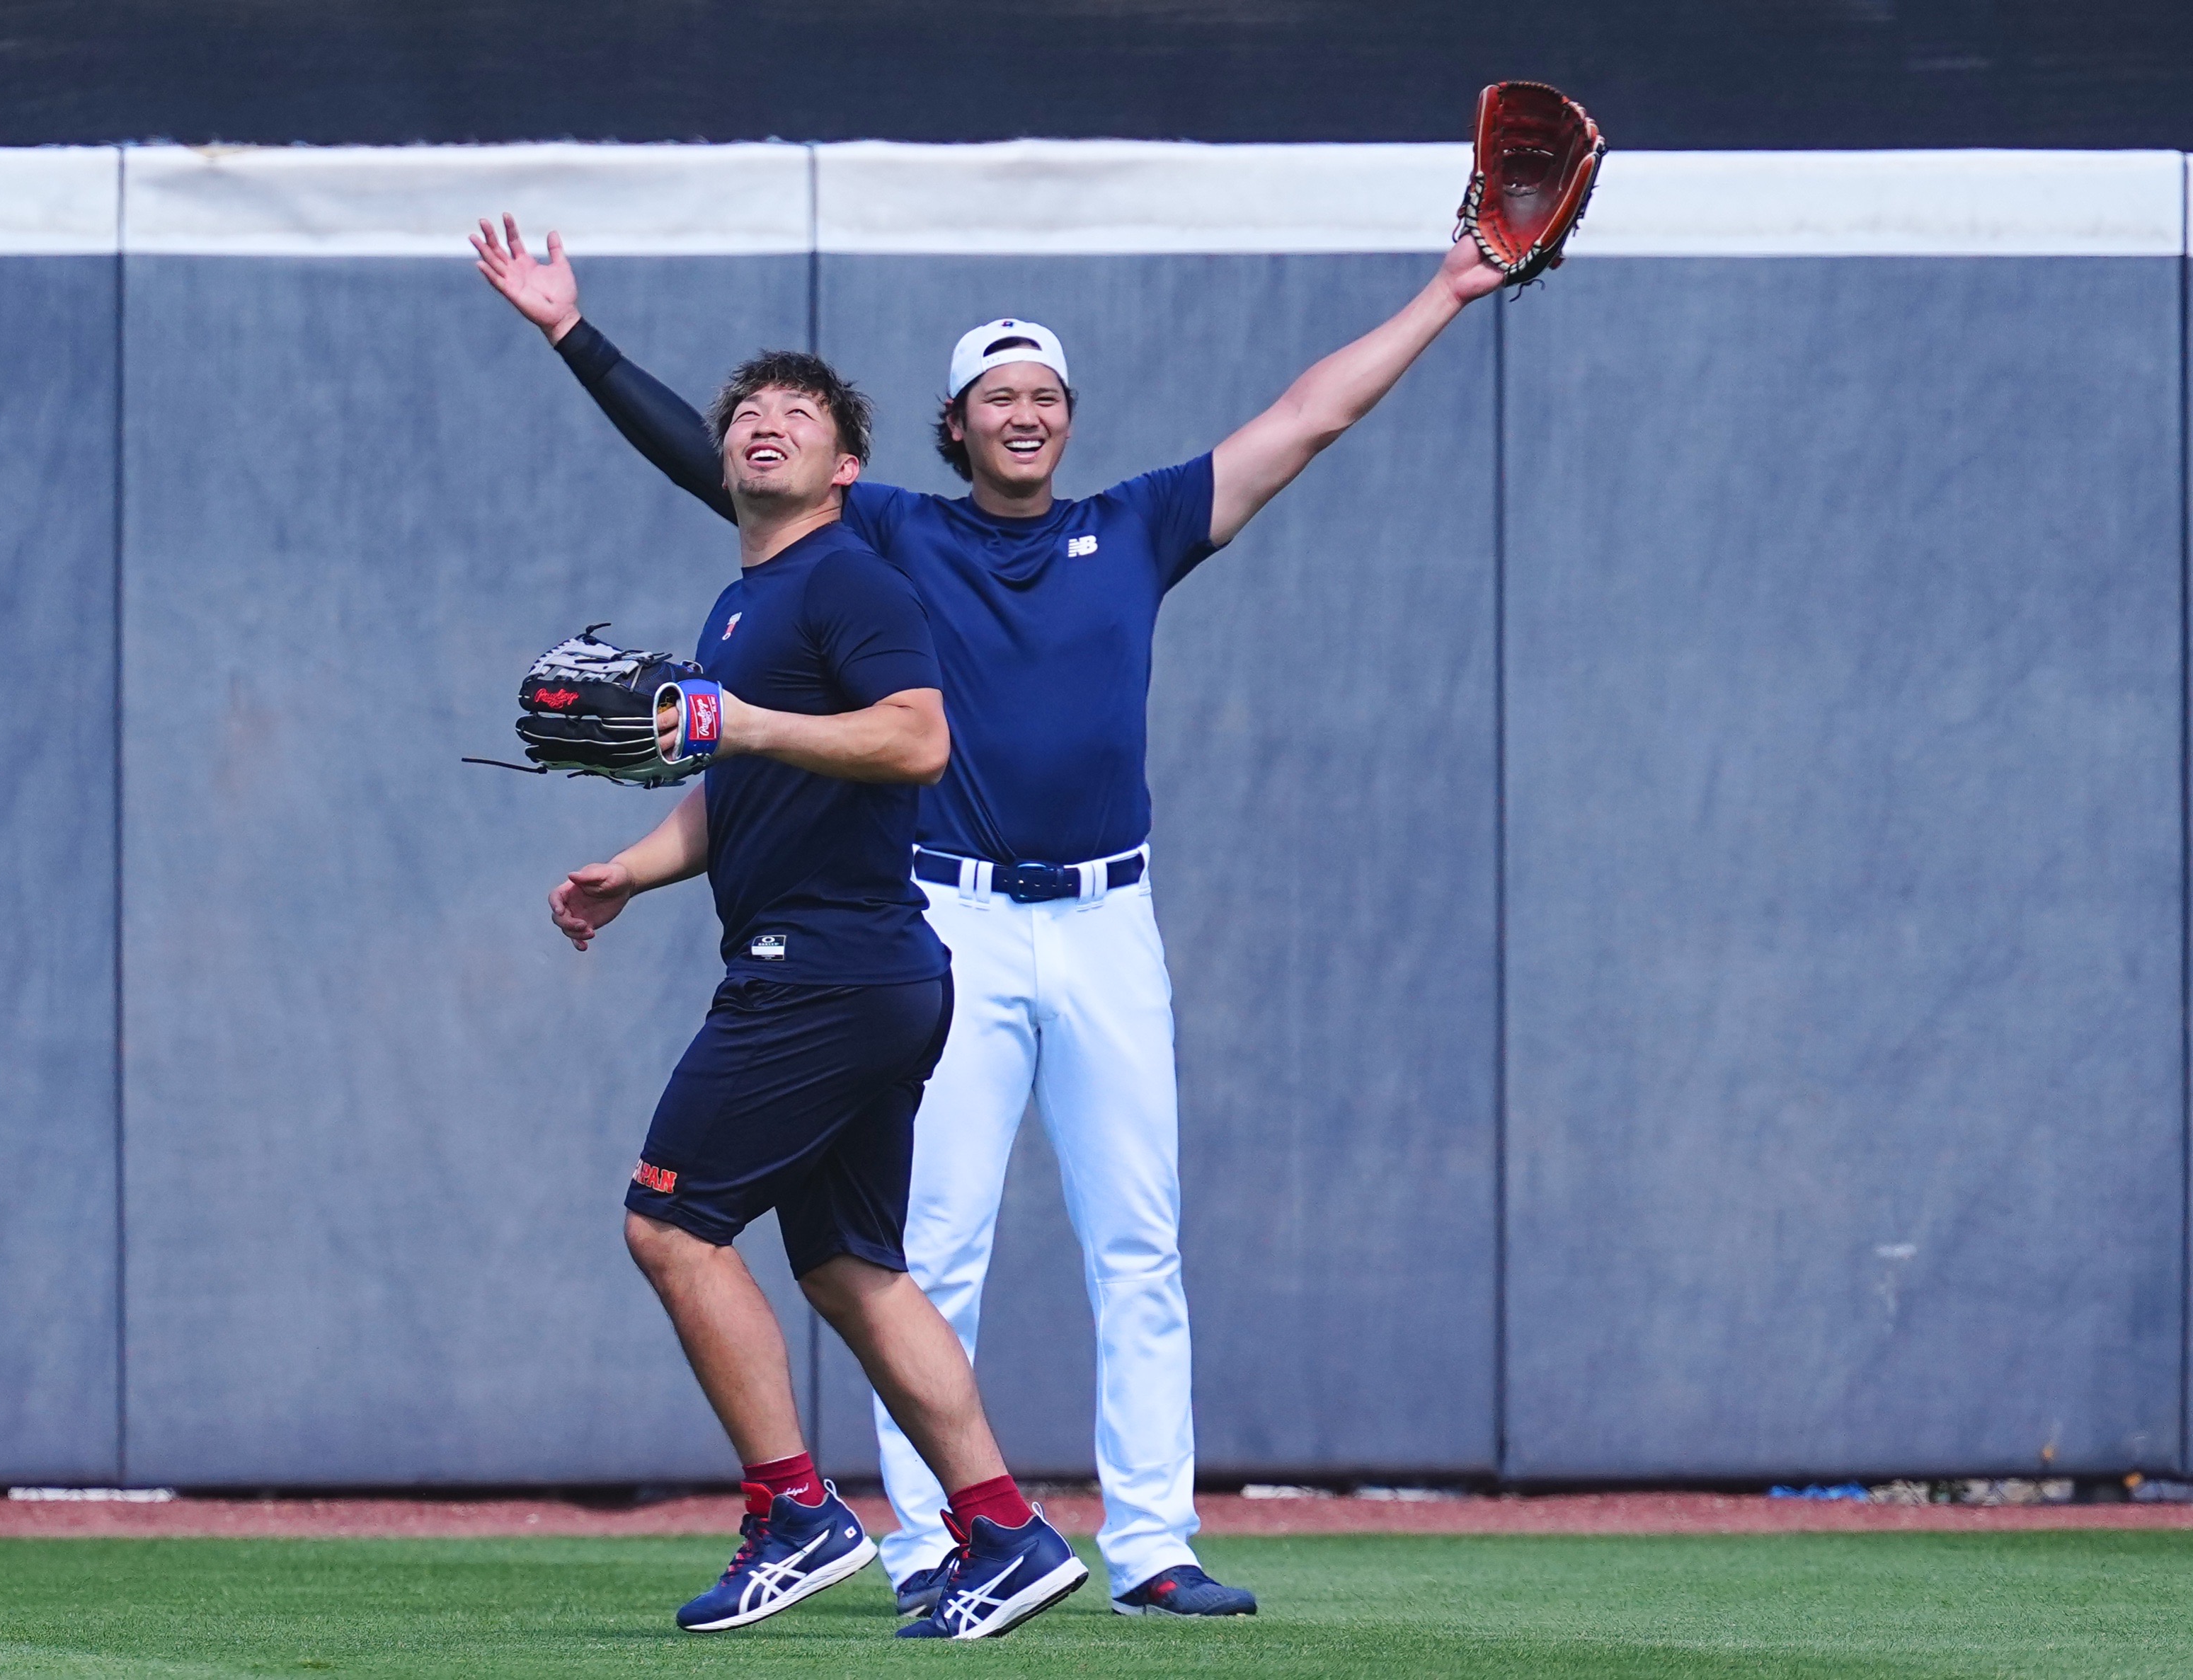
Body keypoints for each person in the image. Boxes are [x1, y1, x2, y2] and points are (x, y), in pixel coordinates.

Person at [484, 214, 1505, 1618]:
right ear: (951, 429)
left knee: (1135, 1237)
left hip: (1104, 916)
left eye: (1045, 396)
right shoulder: (891, 535)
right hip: (946, 914)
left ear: (1065, 422)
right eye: (995, 397)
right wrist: (570, 334)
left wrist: (1446, 291)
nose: (1024, 412)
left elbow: (1306, 419)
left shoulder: (1131, 526)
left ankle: (1152, 1541)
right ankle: (937, 1542)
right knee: (922, 1244)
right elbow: (703, 455)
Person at [546, 348, 1087, 1641]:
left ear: (847, 467)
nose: (763, 425)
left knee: (671, 1226)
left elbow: (915, 737)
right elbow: (740, 785)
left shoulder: (848, 577)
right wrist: (631, 868)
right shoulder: (751, 600)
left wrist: (733, 721)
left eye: (799, 415)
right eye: (745, 415)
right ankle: (1005, 1530)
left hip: (824, 971)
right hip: (865, 969)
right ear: (725, 457)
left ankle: (795, 1511)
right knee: (852, 1269)